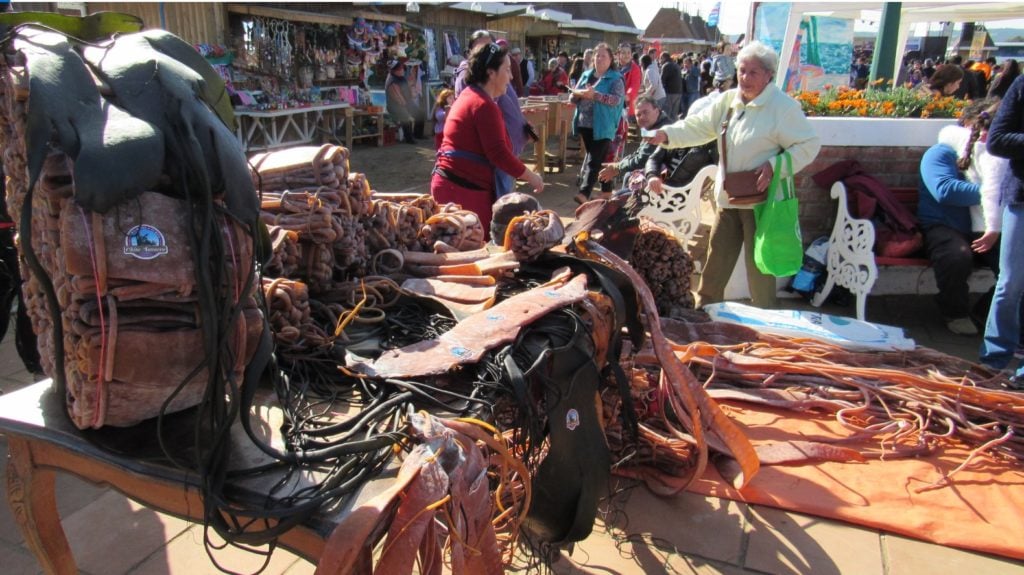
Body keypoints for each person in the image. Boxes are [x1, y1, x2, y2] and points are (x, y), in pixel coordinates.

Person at [645, 41, 820, 309]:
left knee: (759, 265)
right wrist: (667, 135)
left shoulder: (782, 107)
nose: (745, 78)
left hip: (761, 202)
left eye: (753, 73)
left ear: (768, 75)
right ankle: (704, 312)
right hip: (729, 197)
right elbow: (698, 127)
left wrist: (776, 165)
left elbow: (809, 145)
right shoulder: (728, 101)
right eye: (741, 71)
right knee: (716, 262)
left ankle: (765, 318)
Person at [432, 42, 544, 237]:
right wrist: (532, 176)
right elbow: (498, 154)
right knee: (470, 254)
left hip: (458, 187)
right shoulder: (482, 105)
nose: (510, 77)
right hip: (461, 192)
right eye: (507, 70)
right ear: (491, 73)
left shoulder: (472, 96)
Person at [918, 100, 1003, 335]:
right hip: (944, 225)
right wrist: (994, 192)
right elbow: (945, 190)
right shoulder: (940, 153)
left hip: (986, 227)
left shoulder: (995, 156)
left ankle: (986, 312)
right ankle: (954, 311)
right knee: (957, 255)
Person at [982, 74, 1024, 381]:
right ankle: (995, 360)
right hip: (1022, 199)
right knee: (1010, 284)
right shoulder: (1022, 84)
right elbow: (997, 140)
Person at [455, 30, 529, 198]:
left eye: (491, 46)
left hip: (508, 148)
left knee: (506, 197)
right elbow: (496, 151)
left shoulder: (500, 74)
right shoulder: (478, 94)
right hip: (492, 159)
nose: (510, 76)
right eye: (482, 47)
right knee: (501, 206)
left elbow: (514, 108)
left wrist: (526, 129)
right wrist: (531, 176)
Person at [570, 42, 625, 205]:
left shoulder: (615, 78)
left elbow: (616, 100)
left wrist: (596, 95)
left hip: (605, 125)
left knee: (594, 159)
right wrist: (577, 94)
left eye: (603, 56)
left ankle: (584, 193)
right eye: (597, 55)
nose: (599, 58)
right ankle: (607, 191)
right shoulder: (586, 75)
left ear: (610, 59)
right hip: (585, 123)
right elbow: (572, 96)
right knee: (599, 157)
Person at [597, 95, 670, 186]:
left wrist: (618, 167)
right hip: (662, 174)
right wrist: (619, 165)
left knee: (631, 177)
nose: (642, 117)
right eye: (638, 115)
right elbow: (639, 154)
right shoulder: (653, 126)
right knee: (630, 178)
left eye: (646, 112)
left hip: (665, 178)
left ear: (657, 111)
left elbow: (642, 160)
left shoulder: (660, 131)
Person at [385, 60, 420, 144]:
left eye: (402, 68)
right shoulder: (392, 81)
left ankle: (418, 134)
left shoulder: (401, 77)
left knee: (419, 113)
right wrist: (406, 107)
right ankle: (409, 138)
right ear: (394, 71)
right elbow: (398, 98)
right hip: (395, 105)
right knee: (406, 117)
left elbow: (408, 87)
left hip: (406, 102)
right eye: (400, 69)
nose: (402, 70)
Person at [616, 43, 642, 123]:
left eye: (628, 53)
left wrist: (627, 96)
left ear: (631, 54)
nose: (626, 55)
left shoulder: (634, 68)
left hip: (626, 104)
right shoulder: (614, 67)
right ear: (618, 54)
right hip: (612, 103)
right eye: (623, 52)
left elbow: (635, 86)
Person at [660, 52, 683, 121]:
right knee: (674, 114)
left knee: (667, 113)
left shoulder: (666, 66)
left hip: (670, 92)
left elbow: (662, 80)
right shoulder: (676, 65)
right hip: (678, 92)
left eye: (661, 58)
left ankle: (666, 129)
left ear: (664, 58)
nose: (660, 60)